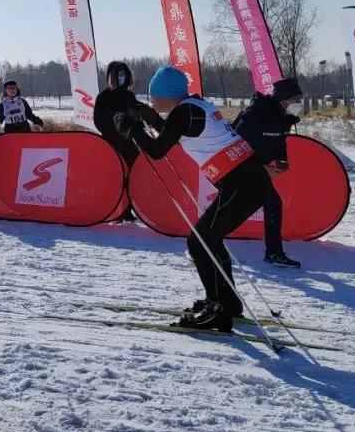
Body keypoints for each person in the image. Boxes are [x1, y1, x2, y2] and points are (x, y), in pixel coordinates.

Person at [114, 65, 278, 333]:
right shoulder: (194, 107)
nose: (152, 100)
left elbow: (157, 150)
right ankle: (228, 302)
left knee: (200, 240)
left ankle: (219, 308)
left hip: (244, 184)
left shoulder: (184, 112)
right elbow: (174, 135)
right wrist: (148, 118)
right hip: (247, 181)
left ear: (168, 95)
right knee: (208, 239)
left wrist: (133, 129)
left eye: (154, 95)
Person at [232, 78, 304, 268]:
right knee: (268, 203)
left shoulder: (282, 117)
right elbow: (237, 146)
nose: (298, 103)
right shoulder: (254, 114)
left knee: (235, 207)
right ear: (284, 100)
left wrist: (281, 159)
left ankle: (273, 253)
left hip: (253, 168)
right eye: (295, 98)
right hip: (236, 168)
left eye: (300, 98)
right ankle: (201, 244)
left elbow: (279, 141)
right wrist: (261, 168)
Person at [93, 61, 165, 221]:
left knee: (133, 175)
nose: (122, 77)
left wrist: (150, 121)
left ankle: (131, 207)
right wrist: (115, 121)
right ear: (111, 76)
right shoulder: (103, 97)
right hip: (111, 143)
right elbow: (98, 121)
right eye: (118, 74)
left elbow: (139, 113)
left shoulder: (128, 95)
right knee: (116, 177)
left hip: (129, 142)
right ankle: (117, 209)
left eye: (124, 74)